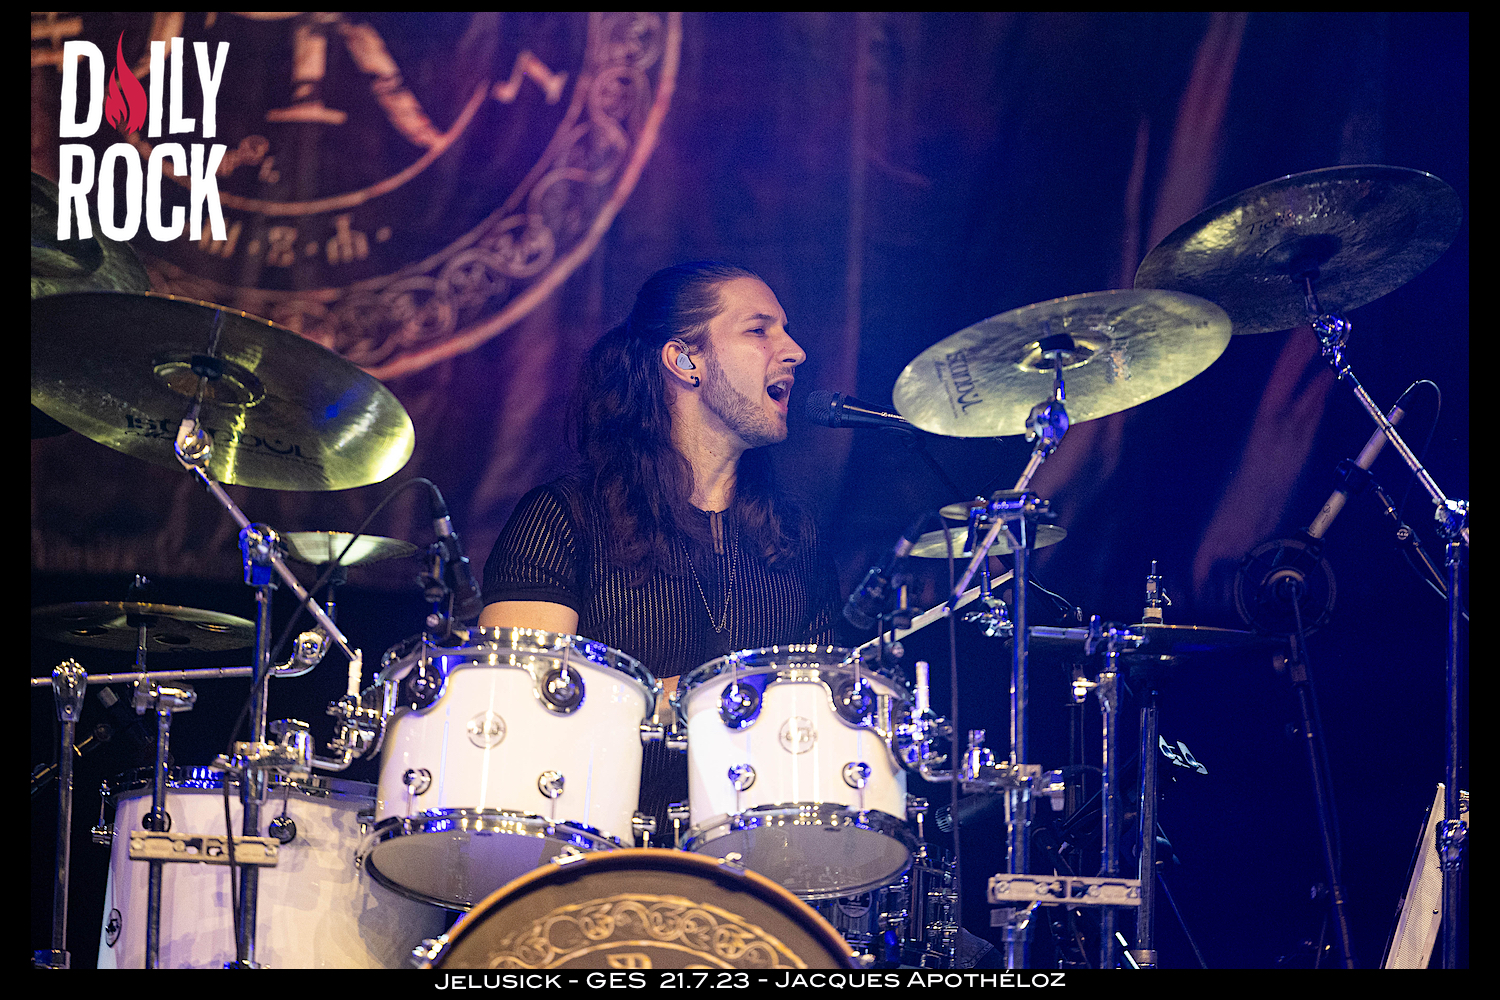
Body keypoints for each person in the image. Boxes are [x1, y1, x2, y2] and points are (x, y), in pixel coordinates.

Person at [479, 260, 843, 831]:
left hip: (758, 868)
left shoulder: (796, 540)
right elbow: (520, 718)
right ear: (685, 360)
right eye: (759, 329)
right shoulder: (566, 517)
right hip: (598, 863)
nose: (793, 351)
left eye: (786, 331)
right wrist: (708, 698)